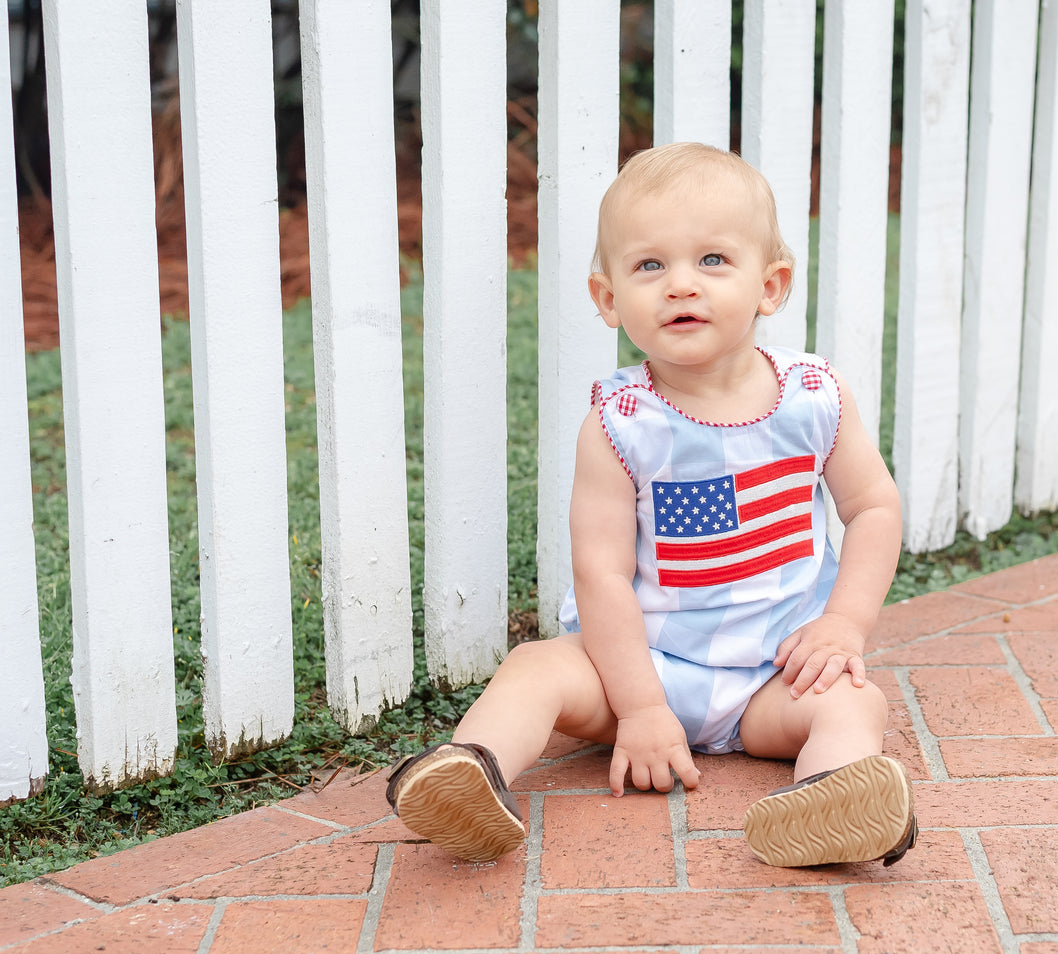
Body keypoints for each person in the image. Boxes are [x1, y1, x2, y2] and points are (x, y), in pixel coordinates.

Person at [386, 141, 916, 868]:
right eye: (649, 266)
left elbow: (874, 508)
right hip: (640, 664)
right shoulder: (621, 423)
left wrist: (844, 625)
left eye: (712, 261)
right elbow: (601, 573)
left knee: (856, 703)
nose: (680, 286)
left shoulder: (814, 398)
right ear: (608, 299)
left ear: (771, 284)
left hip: (775, 672)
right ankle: (471, 772)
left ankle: (833, 795)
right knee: (536, 667)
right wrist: (638, 707)